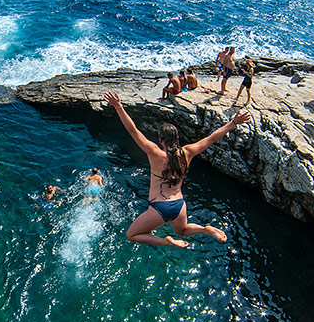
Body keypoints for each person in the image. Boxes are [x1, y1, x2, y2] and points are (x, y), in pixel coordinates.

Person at [104, 90, 250, 247]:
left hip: (160, 205)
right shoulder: (188, 152)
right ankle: (205, 230)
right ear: (176, 139)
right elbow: (212, 138)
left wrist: (118, 106)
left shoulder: (155, 153)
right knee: (182, 231)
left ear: (161, 140)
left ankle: (165, 241)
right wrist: (233, 123)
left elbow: (133, 131)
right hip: (179, 204)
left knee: (132, 234)